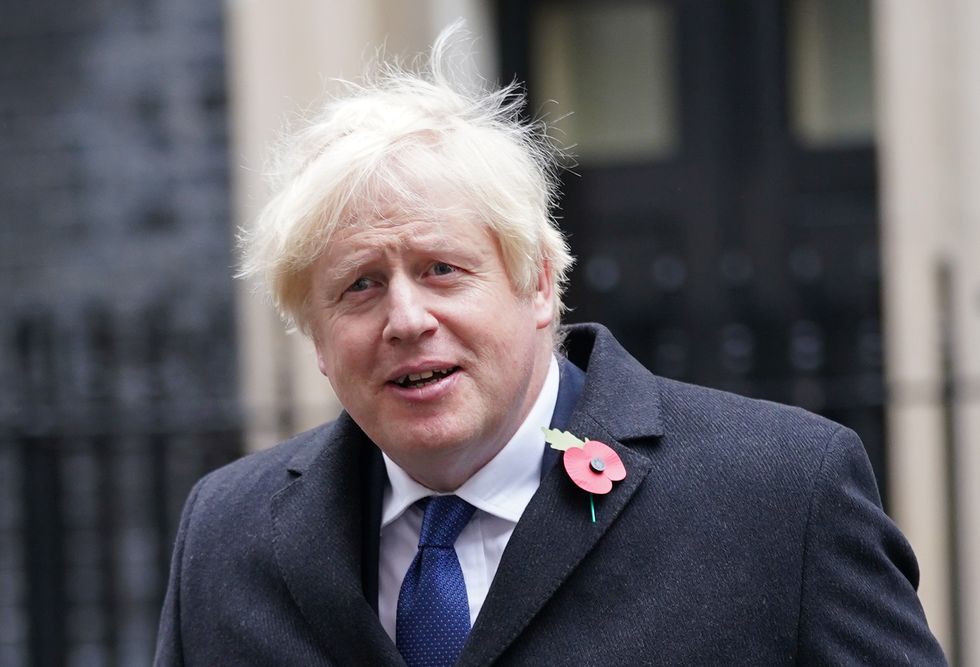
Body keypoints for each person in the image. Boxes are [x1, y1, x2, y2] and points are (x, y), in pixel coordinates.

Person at [154, 26, 947, 666]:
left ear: (538, 283)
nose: (405, 318)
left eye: (442, 269)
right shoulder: (226, 534)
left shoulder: (783, 496)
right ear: (318, 340)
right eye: (359, 286)